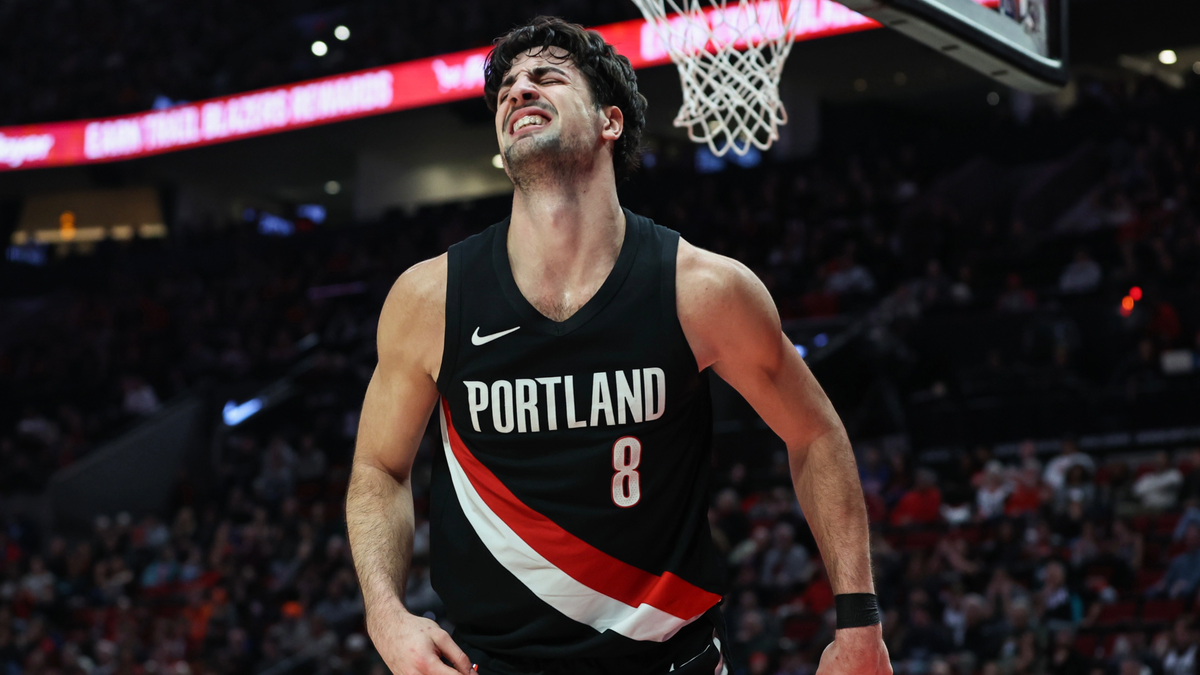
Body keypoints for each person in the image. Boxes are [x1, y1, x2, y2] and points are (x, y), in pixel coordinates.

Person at [344, 16, 889, 675]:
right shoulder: (430, 298)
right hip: (491, 663)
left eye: (547, 76)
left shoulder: (701, 289)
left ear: (610, 121)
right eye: (507, 88)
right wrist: (385, 613)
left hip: (672, 661)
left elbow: (816, 434)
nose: (519, 90)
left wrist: (859, 621)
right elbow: (379, 468)